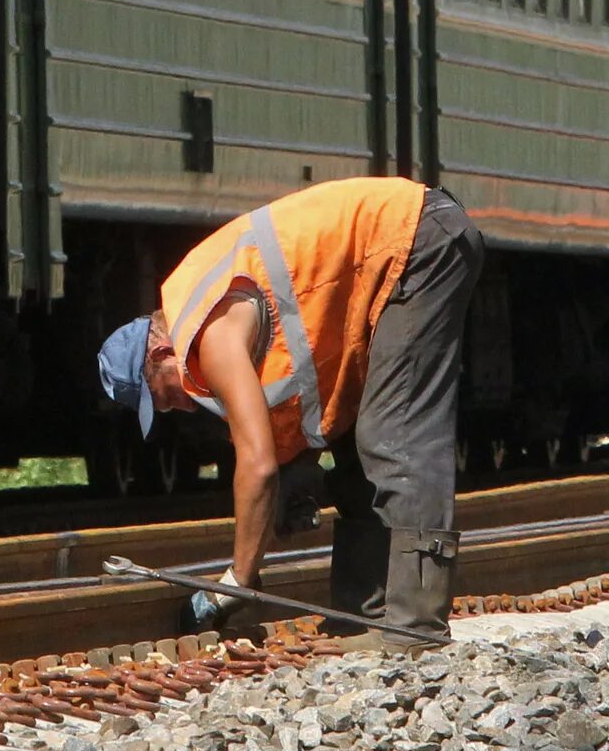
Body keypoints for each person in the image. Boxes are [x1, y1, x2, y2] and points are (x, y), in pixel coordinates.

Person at [97, 176, 483, 647]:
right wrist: (296, 470)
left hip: (417, 242)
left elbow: (255, 464)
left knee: (393, 436)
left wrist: (238, 579)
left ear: (160, 355)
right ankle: (364, 617)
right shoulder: (206, 313)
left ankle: (413, 630)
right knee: (359, 441)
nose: (177, 407)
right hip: (398, 254)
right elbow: (300, 399)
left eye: (163, 395)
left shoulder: (209, 334)